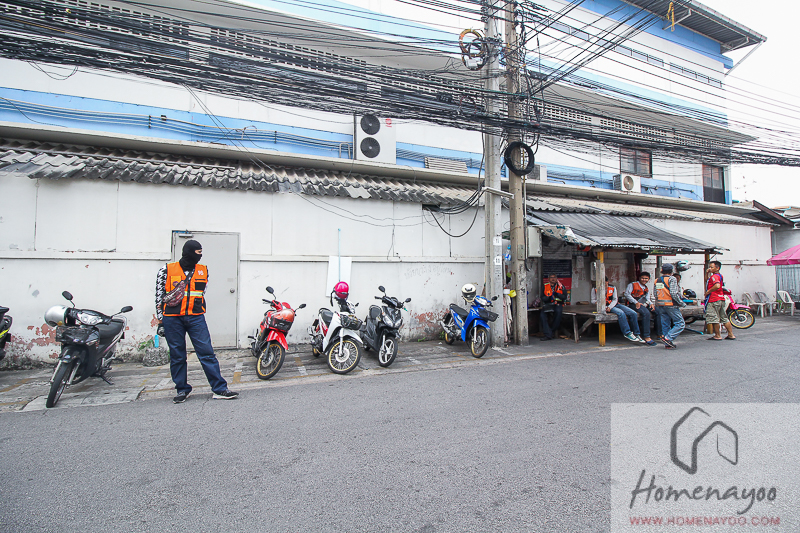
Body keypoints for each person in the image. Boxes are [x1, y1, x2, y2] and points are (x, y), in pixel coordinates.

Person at [156, 239, 239, 403]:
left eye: (201, 253)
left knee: (207, 353)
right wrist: (160, 321)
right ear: (188, 252)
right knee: (177, 355)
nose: (200, 256)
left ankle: (219, 389)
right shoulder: (166, 270)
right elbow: (159, 297)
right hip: (172, 318)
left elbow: (202, 293)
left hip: (195, 317)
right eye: (197, 252)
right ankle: (182, 389)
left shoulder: (203, 270)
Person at [591, 277, 644, 343]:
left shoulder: (613, 288)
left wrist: (610, 307)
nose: (603, 285)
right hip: (604, 306)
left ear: (607, 282)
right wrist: (599, 304)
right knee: (621, 313)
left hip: (614, 304)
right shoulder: (595, 289)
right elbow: (593, 300)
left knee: (633, 313)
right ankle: (627, 333)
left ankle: (636, 333)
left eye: (604, 283)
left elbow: (615, 299)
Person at [654, 263, 686, 349]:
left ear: (662, 271)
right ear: (671, 271)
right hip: (671, 304)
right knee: (680, 323)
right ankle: (668, 338)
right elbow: (673, 293)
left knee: (665, 324)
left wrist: (658, 302)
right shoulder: (672, 279)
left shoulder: (657, 280)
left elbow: (655, 293)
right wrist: (681, 303)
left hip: (661, 304)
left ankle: (667, 344)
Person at [704, 260, 736, 341]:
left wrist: (708, 291)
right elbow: (707, 280)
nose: (710, 268)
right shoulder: (719, 276)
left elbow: (717, 286)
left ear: (717, 268)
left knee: (714, 318)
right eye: (709, 267)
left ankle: (717, 335)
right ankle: (731, 334)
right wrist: (707, 273)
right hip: (721, 298)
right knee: (724, 317)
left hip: (713, 299)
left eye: (712, 267)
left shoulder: (715, 277)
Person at [624, 272, 657, 346]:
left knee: (657, 311)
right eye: (643, 278)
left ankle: (659, 334)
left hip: (642, 303)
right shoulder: (632, 284)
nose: (644, 280)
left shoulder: (646, 288)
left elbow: (647, 298)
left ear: (648, 279)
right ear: (639, 278)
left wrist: (651, 303)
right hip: (632, 304)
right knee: (646, 313)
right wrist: (635, 302)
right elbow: (627, 294)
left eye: (646, 278)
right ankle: (646, 336)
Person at [540, 274, 566, 341]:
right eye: (551, 277)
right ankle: (548, 333)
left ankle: (550, 332)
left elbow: (564, 297)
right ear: (548, 279)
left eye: (554, 277)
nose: (553, 279)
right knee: (542, 315)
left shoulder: (561, 286)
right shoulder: (545, 286)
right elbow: (542, 297)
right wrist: (548, 298)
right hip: (548, 304)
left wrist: (558, 294)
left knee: (558, 313)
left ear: (556, 278)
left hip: (558, 304)